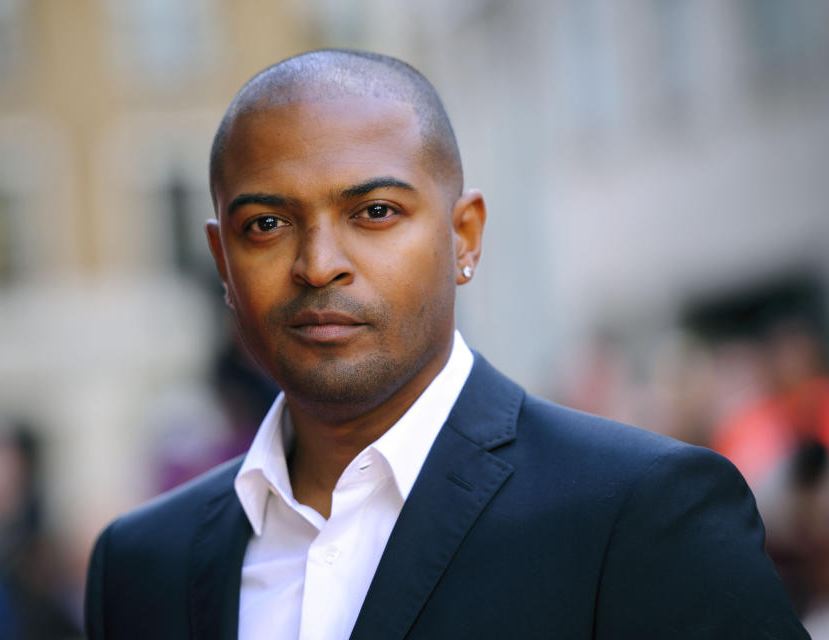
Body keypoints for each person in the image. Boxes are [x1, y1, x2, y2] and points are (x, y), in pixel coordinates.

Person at [84, 49, 808, 639]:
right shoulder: (142, 564)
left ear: (463, 237)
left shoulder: (642, 511)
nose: (318, 263)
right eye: (267, 225)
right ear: (222, 263)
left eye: (373, 211)